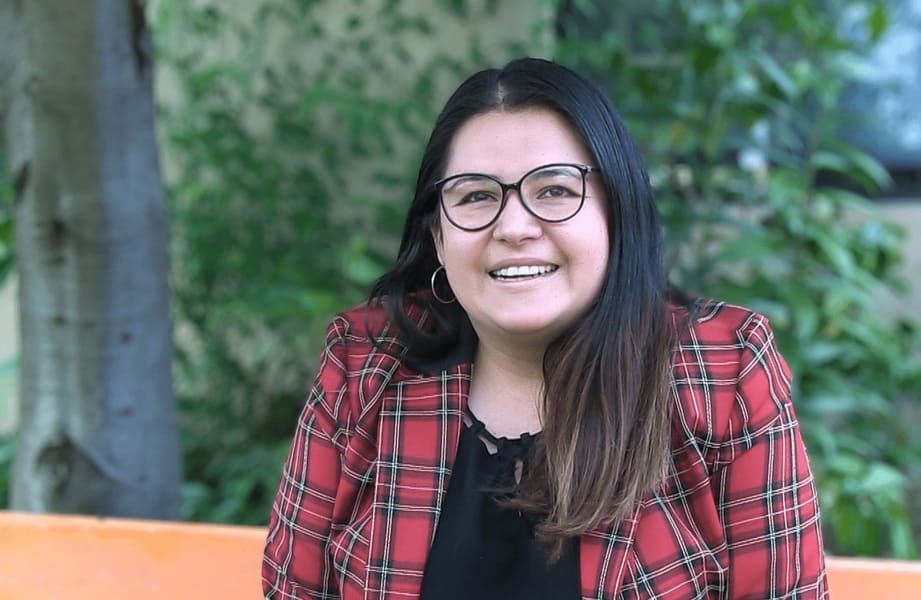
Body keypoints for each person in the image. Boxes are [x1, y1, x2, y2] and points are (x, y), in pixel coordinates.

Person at [262, 57, 827, 599]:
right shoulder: (366, 365)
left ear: (617, 212)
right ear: (439, 237)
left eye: (554, 190)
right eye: (476, 195)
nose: (514, 227)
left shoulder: (724, 373)